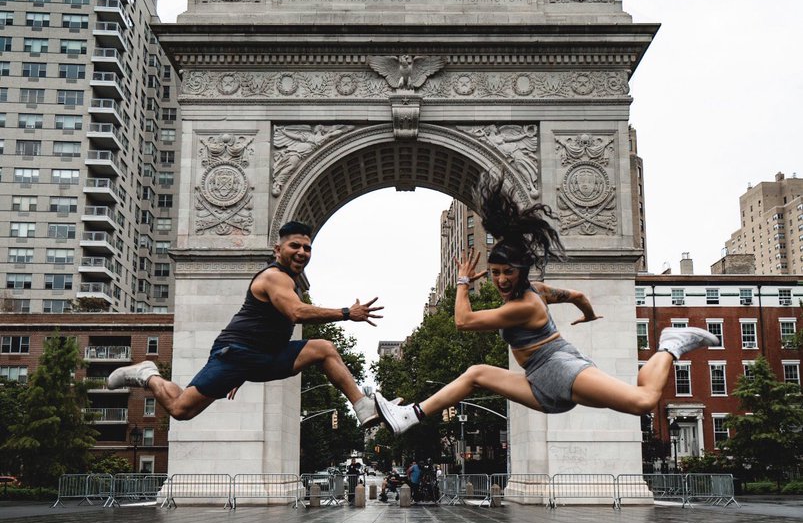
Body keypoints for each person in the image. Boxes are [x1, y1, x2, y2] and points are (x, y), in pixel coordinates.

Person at [374, 176, 718, 436]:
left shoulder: (525, 305)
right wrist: (587, 316)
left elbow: (463, 321)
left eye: (508, 272)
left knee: (642, 402)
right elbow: (579, 297)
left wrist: (464, 282)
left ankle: (670, 346)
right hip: (540, 380)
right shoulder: (541, 290)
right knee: (477, 373)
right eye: (494, 273)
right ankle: (411, 415)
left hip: (559, 368)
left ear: (521, 271)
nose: (501, 280)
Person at [106, 221, 383, 426]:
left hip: (266, 356)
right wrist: (348, 312)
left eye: (307, 248)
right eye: (295, 246)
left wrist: (243, 372)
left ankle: (362, 404)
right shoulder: (274, 277)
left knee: (323, 348)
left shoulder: (288, 280)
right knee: (181, 410)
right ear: (278, 249)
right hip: (236, 353)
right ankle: (147, 374)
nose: (302, 252)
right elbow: (296, 313)